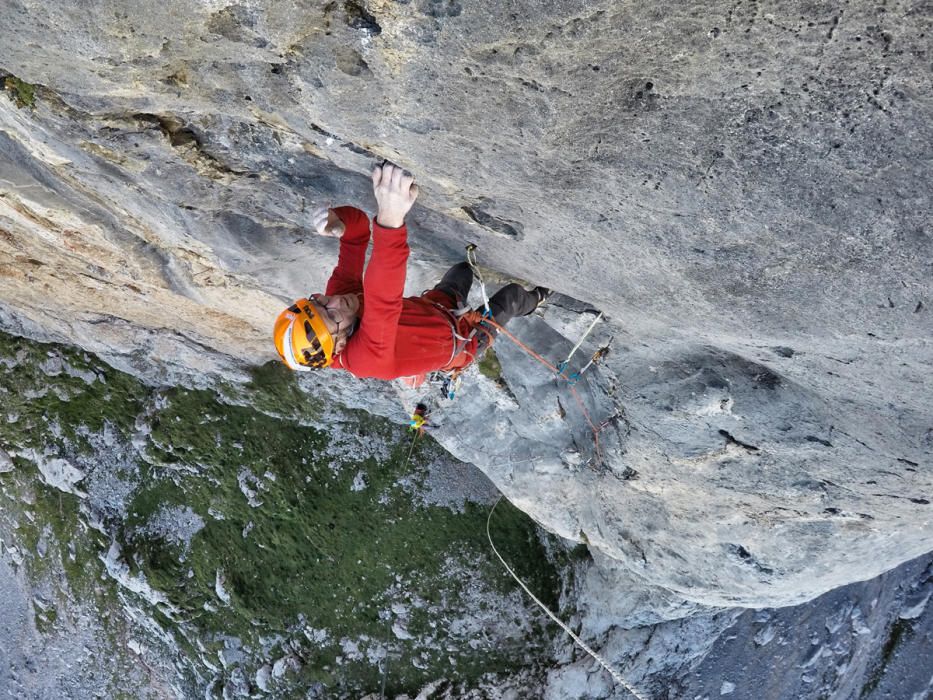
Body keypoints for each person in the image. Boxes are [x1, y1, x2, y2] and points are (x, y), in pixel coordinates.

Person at [273, 163, 550, 382]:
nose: (334, 301)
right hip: (462, 344)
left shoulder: (337, 301)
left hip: (437, 308)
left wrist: (339, 221)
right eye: (331, 315)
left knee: (462, 271)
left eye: (318, 301)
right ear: (340, 345)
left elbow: (355, 238)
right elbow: (382, 302)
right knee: (513, 297)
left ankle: (491, 293)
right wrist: (391, 221)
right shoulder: (364, 360)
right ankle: (539, 296)